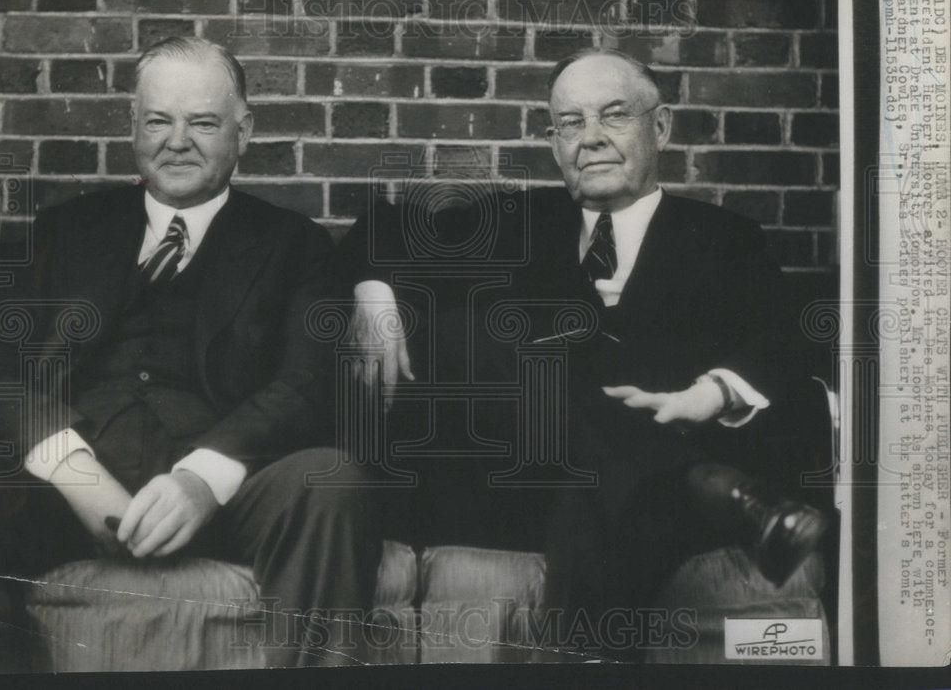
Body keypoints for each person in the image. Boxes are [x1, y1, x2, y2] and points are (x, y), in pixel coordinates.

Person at [341, 48, 828, 658]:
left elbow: (782, 341)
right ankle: (712, 487)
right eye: (570, 122)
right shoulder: (514, 222)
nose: (590, 139)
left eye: (614, 115)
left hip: (620, 506)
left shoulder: (724, 240)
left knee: (609, 498)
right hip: (525, 480)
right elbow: (381, 227)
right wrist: (375, 293)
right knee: (492, 345)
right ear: (553, 141)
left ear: (662, 126)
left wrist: (709, 394)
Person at [0, 37, 381, 671]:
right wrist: (68, 465)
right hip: (69, 496)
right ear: (133, 127)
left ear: (243, 132)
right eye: (159, 120)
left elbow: (308, 384)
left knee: (332, 479)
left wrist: (201, 480)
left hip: (225, 498)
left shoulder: (293, 244)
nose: (177, 140)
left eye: (202, 122)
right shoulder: (66, 230)